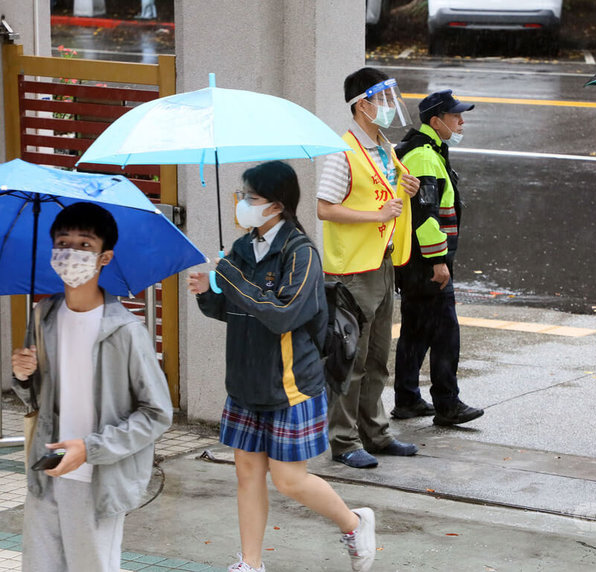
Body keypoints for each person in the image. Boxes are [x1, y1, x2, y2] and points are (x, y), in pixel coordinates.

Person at [189, 162, 376, 572]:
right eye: (241, 196)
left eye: (250, 198)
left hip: (288, 383)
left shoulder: (301, 252)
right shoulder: (242, 248)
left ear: (276, 205)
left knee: (289, 481)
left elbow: (284, 314)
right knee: (247, 476)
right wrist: (209, 293)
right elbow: (234, 309)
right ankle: (250, 563)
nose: (242, 204)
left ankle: (354, 522)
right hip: (245, 380)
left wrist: (232, 281)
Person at [10, 202, 173, 572]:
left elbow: (157, 414)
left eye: (85, 245)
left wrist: (91, 448)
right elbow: (37, 398)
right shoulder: (43, 316)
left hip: (98, 477)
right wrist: (22, 376)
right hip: (46, 470)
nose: (71, 253)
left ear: (105, 257)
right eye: (63, 242)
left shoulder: (127, 331)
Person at [316, 67, 420, 469]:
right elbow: (325, 208)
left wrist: (405, 189)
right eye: (382, 100)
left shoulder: (385, 148)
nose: (390, 108)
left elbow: (389, 192)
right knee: (350, 359)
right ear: (362, 105)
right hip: (353, 271)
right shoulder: (342, 151)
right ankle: (343, 440)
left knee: (377, 357)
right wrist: (375, 214)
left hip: (382, 262)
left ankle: (375, 432)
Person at [391, 89, 484, 426]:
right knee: (445, 333)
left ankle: (407, 399)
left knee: (416, 330)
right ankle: (447, 404)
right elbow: (425, 214)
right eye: (455, 116)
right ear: (436, 121)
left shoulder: (424, 150)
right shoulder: (425, 157)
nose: (461, 121)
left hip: (414, 261)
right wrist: (438, 262)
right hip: (426, 261)